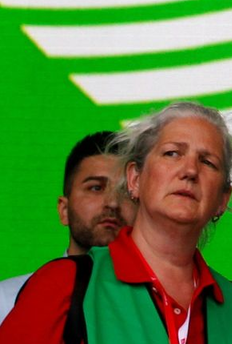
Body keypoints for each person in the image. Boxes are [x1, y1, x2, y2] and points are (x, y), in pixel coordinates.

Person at [0, 101, 232, 344]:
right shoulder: (63, 286)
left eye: (208, 162)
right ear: (134, 178)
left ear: (223, 199)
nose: (190, 170)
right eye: (172, 153)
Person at [0, 131, 136, 326]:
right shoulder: (7, 302)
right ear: (64, 210)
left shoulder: (157, 308)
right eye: (96, 188)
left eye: (125, 191)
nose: (113, 203)